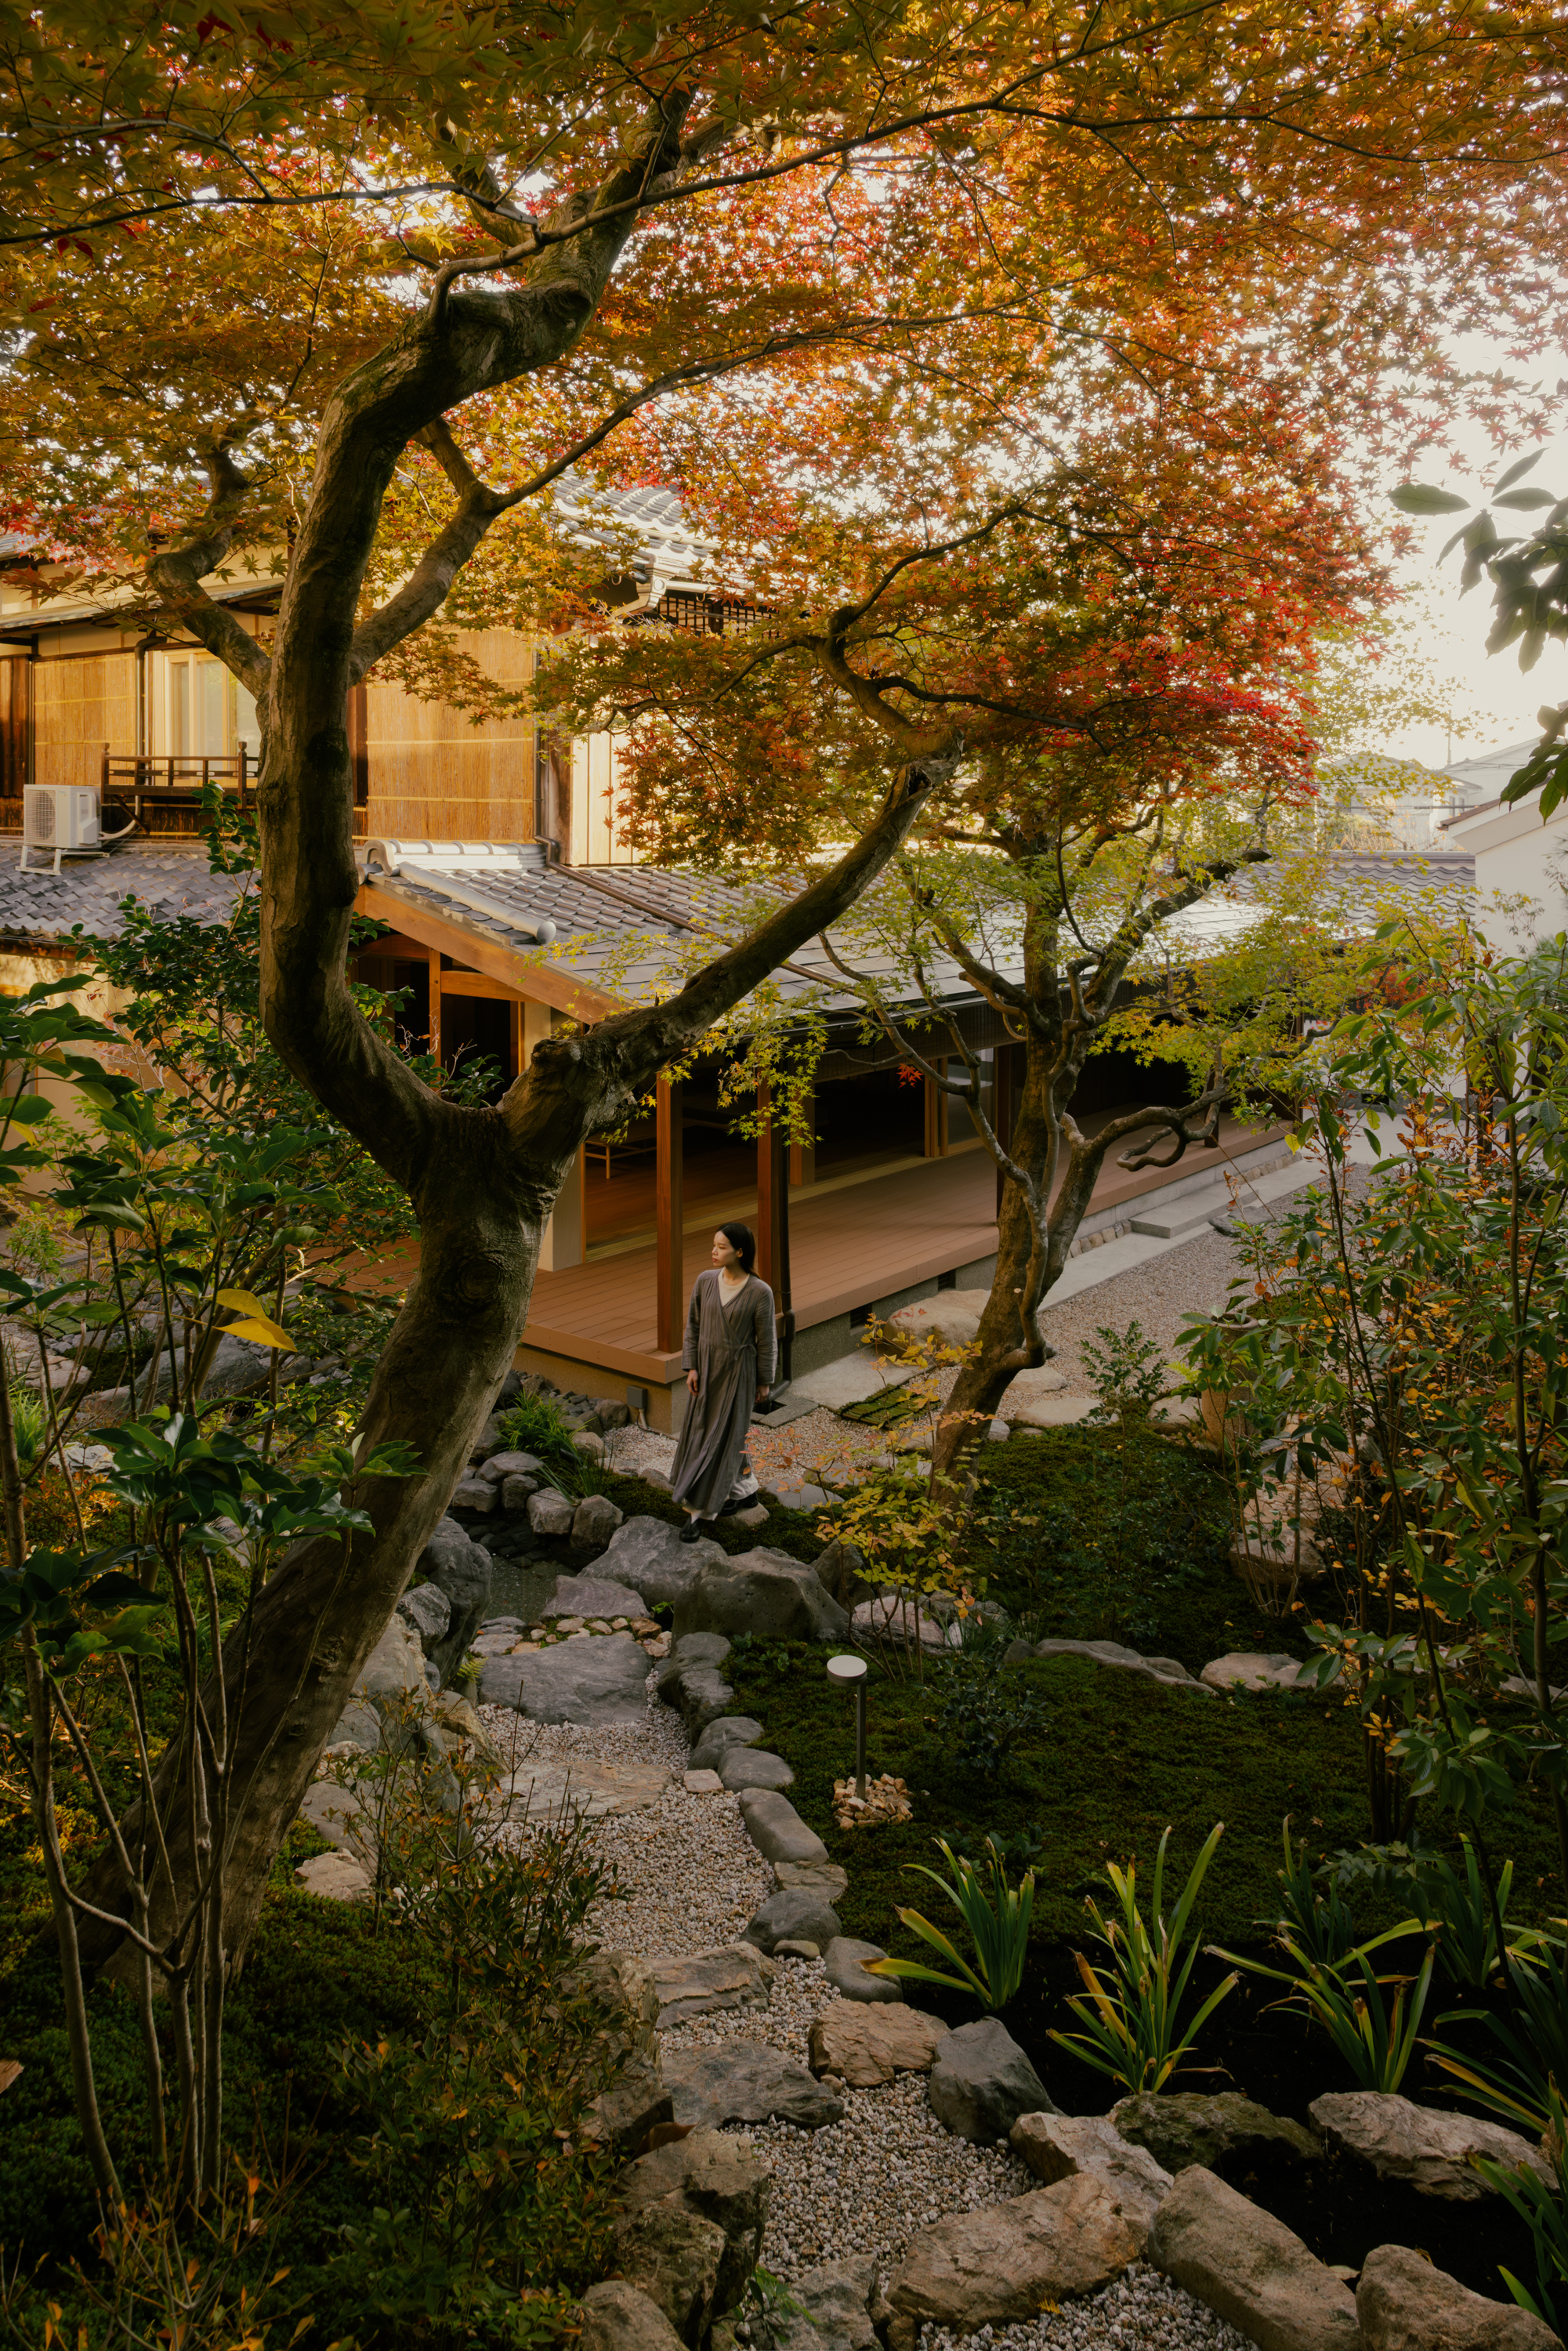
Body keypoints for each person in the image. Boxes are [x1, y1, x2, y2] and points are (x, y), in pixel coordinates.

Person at [671, 1222, 775, 1541]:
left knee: (722, 1437)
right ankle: (745, 1491)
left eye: (722, 1247)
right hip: (705, 1371)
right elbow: (693, 1327)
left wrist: (763, 1381)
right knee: (710, 1431)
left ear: (740, 1252)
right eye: (713, 1245)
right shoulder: (704, 1282)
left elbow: (766, 1341)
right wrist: (691, 1367)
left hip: (737, 1374)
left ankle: (699, 1512)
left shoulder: (760, 1291)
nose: (714, 1252)